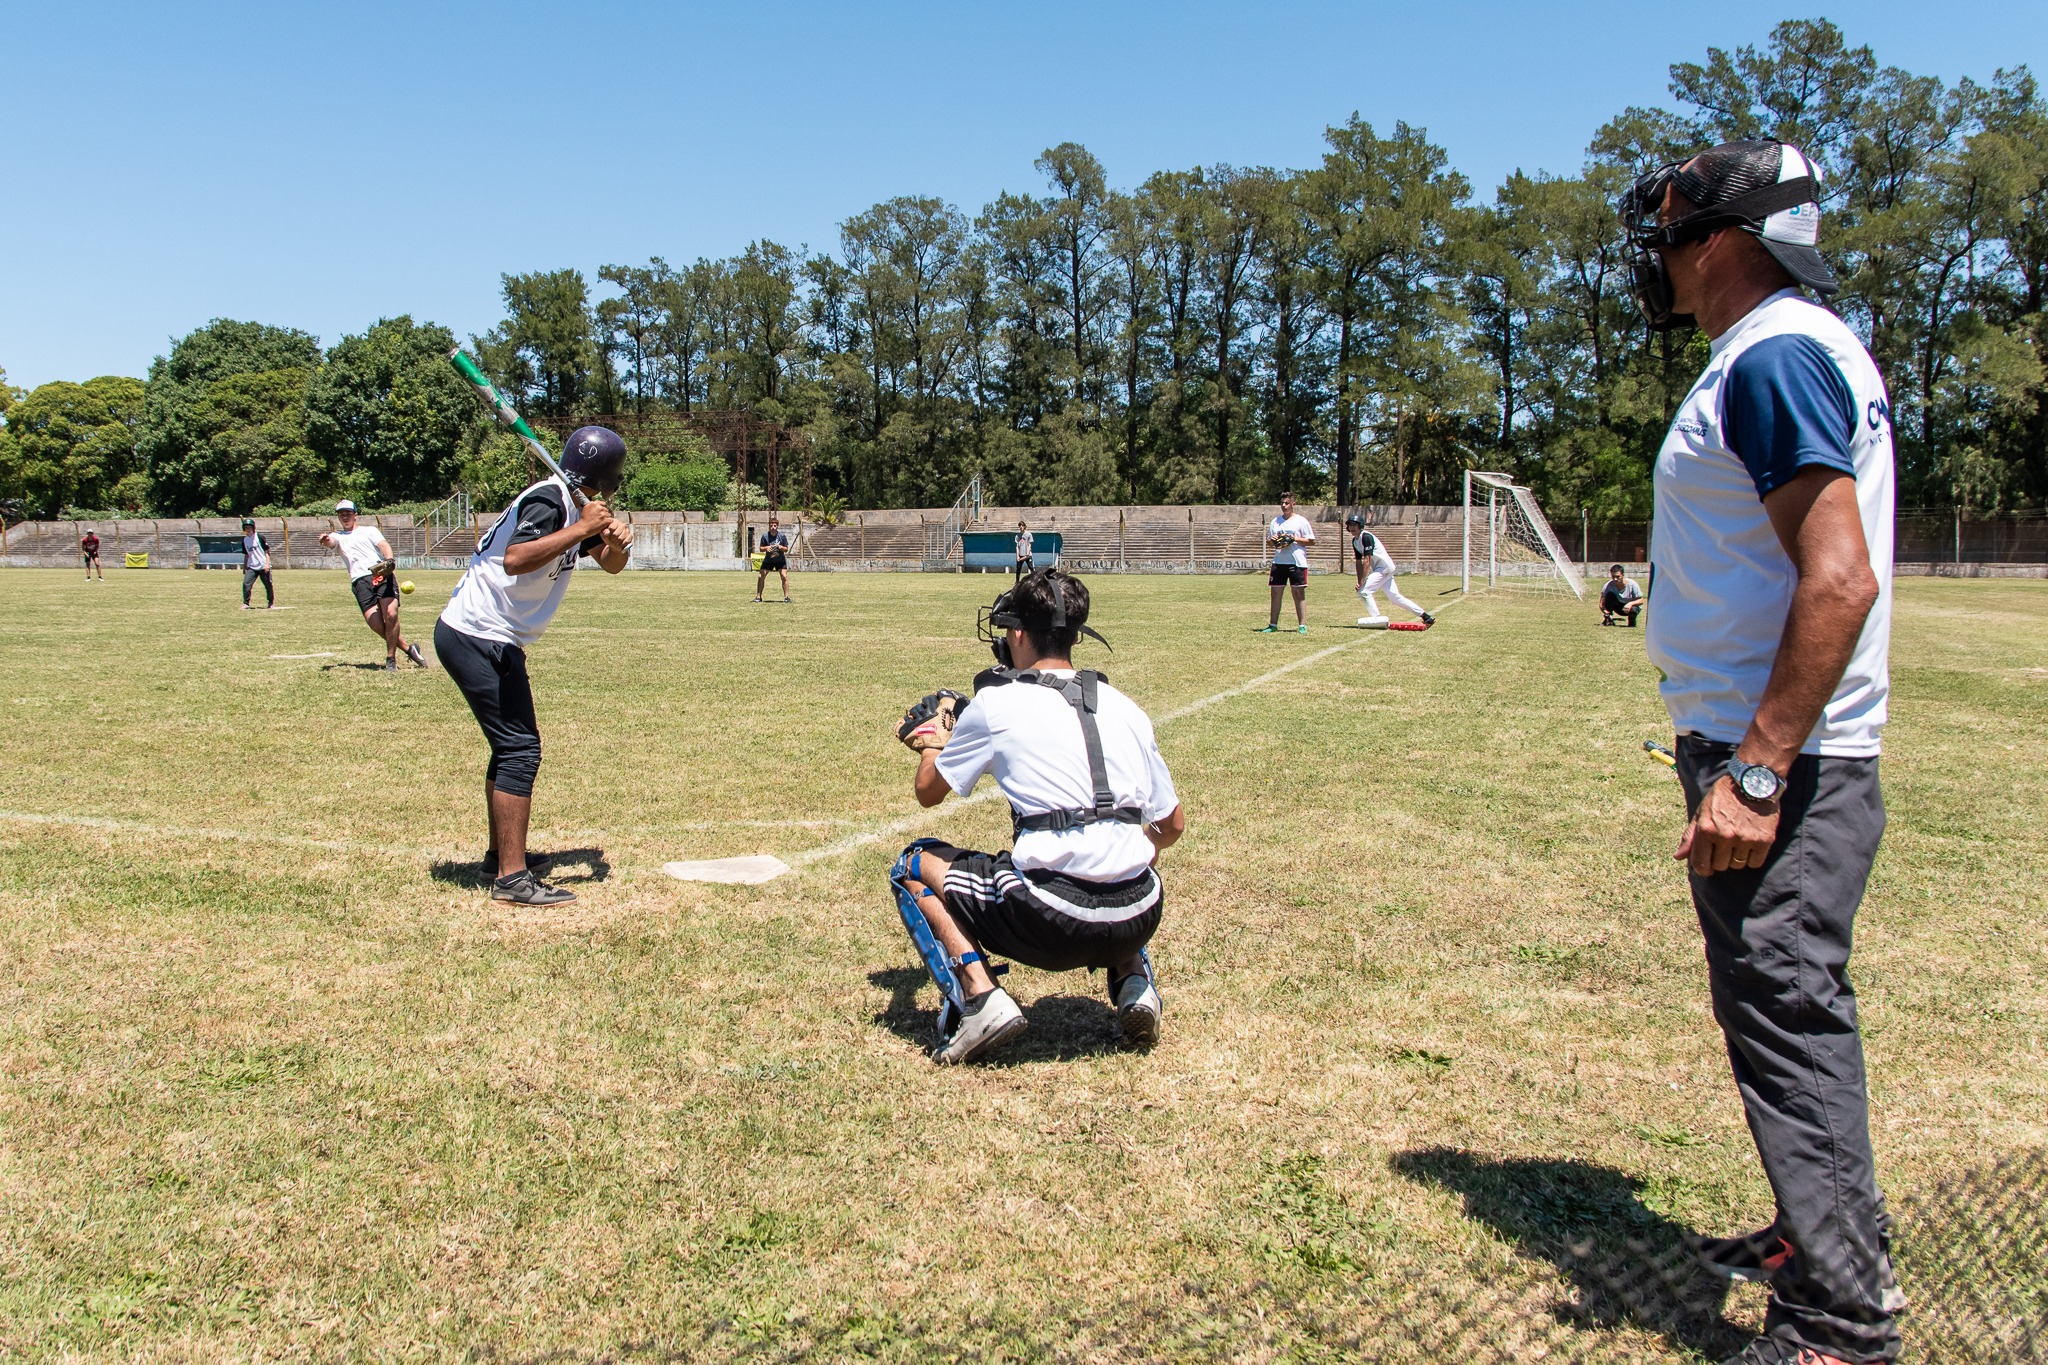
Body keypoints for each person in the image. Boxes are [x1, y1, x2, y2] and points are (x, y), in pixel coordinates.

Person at [1623, 138, 1904, 1365]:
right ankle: (1812, 1231)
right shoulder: (1779, 348)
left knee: (1787, 1018)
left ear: (1726, 239)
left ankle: (1837, 1324)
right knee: (1772, 1014)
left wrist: (1754, 767)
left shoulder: (1776, 352)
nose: (1658, 254)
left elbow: (1835, 579)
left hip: (1781, 765)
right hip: (1771, 751)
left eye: (1672, 227)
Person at [889, 570, 1185, 1063]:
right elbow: (1172, 826)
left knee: (913, 865)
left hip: (1054, 922)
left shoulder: (995, 703)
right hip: (1140, 916)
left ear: (1019, 633)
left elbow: (928, 792)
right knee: (1120, 853)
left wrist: (931, 741)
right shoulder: (1126, 707)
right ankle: (1136, 983)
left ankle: (980, 1000)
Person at [435, 427, 633, 907]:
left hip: (492, 637)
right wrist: (584, 528)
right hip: (479, 633)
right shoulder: (549, 499)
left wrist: (617, 541)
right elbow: (515, 558)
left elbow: (610, 565)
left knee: (510, 748)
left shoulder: (571, 505)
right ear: (607, 475)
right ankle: (510, 878)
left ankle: (499, 856)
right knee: (520, 749)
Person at [319, 501, 423, 670]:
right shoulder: (337, 536)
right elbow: (330, 542)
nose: (345, 517)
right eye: (341, 514)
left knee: (390, 614)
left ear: (355, 515)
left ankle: (391, 659)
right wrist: (324, 540)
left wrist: (389, 560)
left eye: (348, 513)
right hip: (360, 581)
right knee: (376, 624)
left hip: (380, 573)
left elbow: (384, 545)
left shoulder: (369, 531)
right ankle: (409, 649)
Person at [1346, 512, 1434, 626]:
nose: (1352, 528)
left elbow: (1366, 561)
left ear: (1360, 526)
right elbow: (1358, 562)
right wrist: (1359, 581)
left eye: (1354, 525)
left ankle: (1376, 619)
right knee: (1395, 597)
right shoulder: (1355, 541)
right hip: (1382, 568)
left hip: (1384, 567)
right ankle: (1426, 616)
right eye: (1350, 525)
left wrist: (1362, 582)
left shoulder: (1366, 537)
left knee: (1364, 591)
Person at [1259, 492, 1315, 634]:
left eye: (1287, 503)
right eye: (1282, 503)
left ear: (1293, 504)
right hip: (1279, 561)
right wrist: (1273, 541)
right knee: (1275, 592)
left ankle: (1302, 625)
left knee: (1298, 593)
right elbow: (1271, 543)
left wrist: (1293, 539)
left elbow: (1311, 541)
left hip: (1297, 562)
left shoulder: (1301, 521)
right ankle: (1273, 624)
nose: (1284, 506)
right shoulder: (1275, 522)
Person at [753, 516, 791, 602]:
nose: (773, 527)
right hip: (768, 560)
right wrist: (766, 548)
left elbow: (786, 549)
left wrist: (781, 547)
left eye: (774, 525)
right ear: (769, 526)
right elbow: (761, 548)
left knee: (784, 576)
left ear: (777, 526)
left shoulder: (782, 536)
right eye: (771, 525)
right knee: (761, 576)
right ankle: (758, 597)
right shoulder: (765, 536)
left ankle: (786, 597)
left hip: (780, 560)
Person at [240, 517, 275, 609]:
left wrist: (267, 564)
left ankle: (270, 603)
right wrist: (245, 566)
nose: (248, 529)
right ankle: (246, 603)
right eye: (246, 527)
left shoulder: (259, 537)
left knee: (268, 584)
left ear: (253, 527)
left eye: (249, 527)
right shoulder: (244, 540)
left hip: (263, 565)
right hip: (252, 566)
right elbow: (246, 554)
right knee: (246, 584)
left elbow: (267, 551)